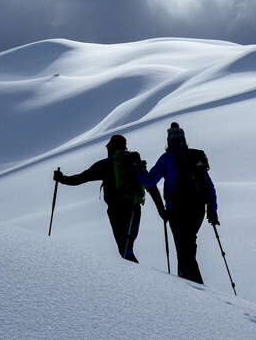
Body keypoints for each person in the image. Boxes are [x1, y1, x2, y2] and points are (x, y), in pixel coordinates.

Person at [53, 134, 165, 263]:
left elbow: (80, 178)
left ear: (111, 147)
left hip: (116, 209)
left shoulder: (105, 164)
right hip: (134, 207)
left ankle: (135, 280)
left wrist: (61, 178)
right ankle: (135, 278)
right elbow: (150, 185)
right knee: (128, 248)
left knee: (124, 249)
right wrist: (162, 211)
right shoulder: (135, 163)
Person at [137, 122, 219, 284]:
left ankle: (194, 290)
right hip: (198, 210)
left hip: (177, 210)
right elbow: (209, 186)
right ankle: (194, 288)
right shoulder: (195, 157)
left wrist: (139, 170)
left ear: (169, 141)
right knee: (188, 247)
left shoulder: (167, 158)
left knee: (183, 251)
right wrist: (212, 209)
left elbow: (149, 181)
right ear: (184, 140)